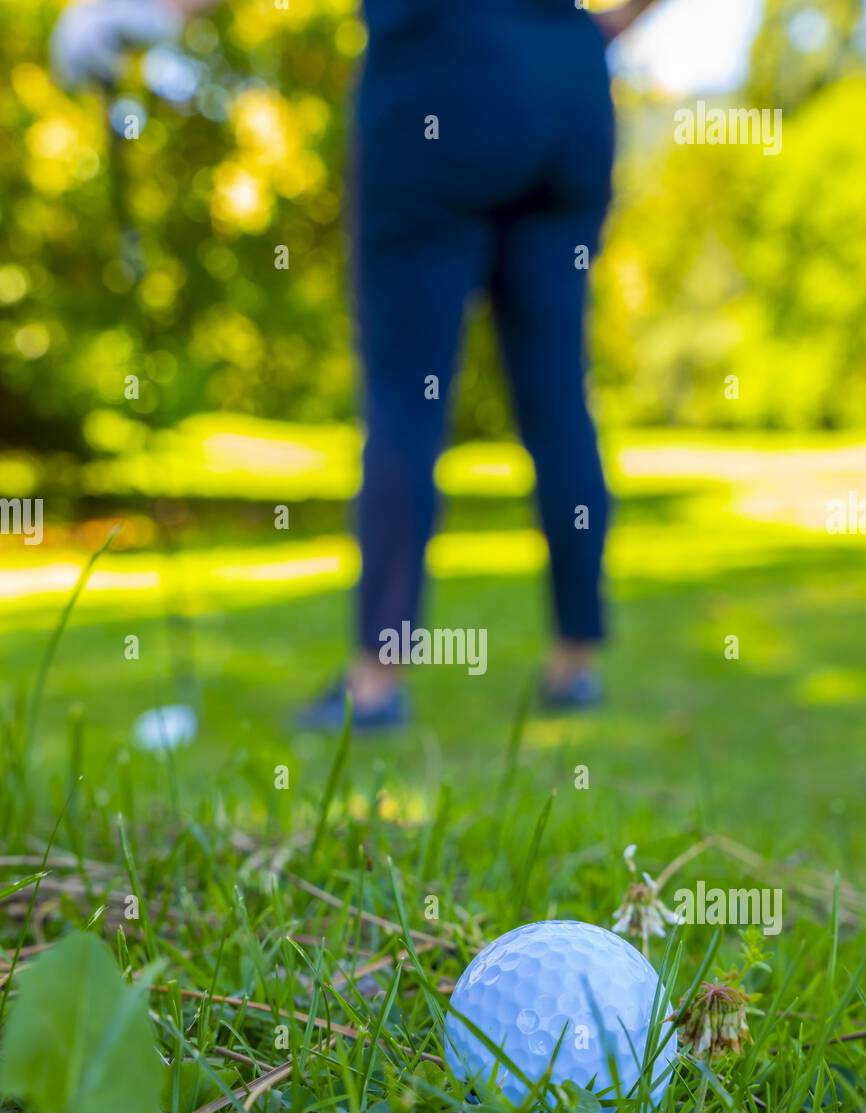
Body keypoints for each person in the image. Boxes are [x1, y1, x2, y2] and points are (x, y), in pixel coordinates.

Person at [51, 0, 663, 730]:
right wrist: (607, 24)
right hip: (568, 89)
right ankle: (576, 663)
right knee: (560, 392)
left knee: (407, 397)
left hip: (437, 82)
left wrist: (153, 8)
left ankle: (376, 682)